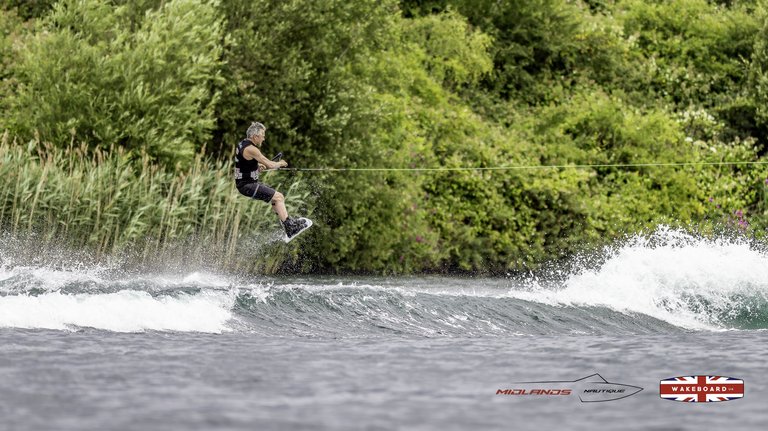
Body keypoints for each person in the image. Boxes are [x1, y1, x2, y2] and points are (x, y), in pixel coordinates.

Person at [234, 122, 311, 240]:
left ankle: (287, 224)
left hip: (245, 183)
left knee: (276, 198)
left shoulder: (242, 144)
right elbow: (270, 164)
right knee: (279, 197)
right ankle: (290, 227)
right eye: (262, 135)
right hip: (247, 185)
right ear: (255, 136)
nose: (264, 138)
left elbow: (243, 163)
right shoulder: (252, 149)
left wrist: (257, 167)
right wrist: (280, 163)